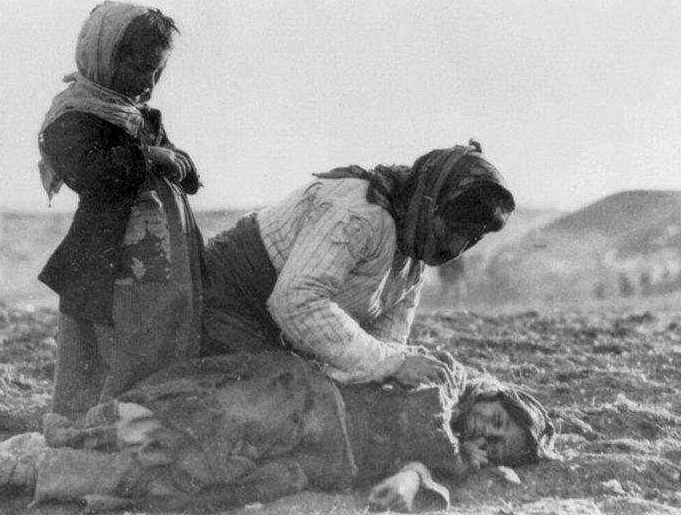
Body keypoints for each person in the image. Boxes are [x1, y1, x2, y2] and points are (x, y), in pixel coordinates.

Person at [0, 352, 556, 515]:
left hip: (311, 461)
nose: (487, 435)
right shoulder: (445, 381)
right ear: (491, 395)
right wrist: (449, 457)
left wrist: (419, 477)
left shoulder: (451, 456)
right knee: (181, 431)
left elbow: (419, 472)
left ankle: (21, 471)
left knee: (186, 484)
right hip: (299, 403)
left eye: (501, 445)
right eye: (496, 421)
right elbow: (427, 415)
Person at [201, 141, 515, 387]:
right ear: (431, 201)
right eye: (456, 229)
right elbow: (296, 302)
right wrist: (393, 366)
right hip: (226, 300)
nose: (457, 247)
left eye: (473, 238)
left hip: (279, 329)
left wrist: (401, 369)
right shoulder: (361, 214)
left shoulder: (413, 258)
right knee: (278, 402)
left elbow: (385, 341)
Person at [37, 1, 204, 418]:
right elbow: (90, 173)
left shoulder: (139, 116)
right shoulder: (72, 117)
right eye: (140, 69)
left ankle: (146, 420)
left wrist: (181, 166)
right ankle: (96, 432)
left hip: (158, 262)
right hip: (108, 262)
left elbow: (175, 164)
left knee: (158, 339)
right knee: (110, 354)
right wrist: (149, 157)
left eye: (157, 72)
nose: (149, 83)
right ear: (104, 58)